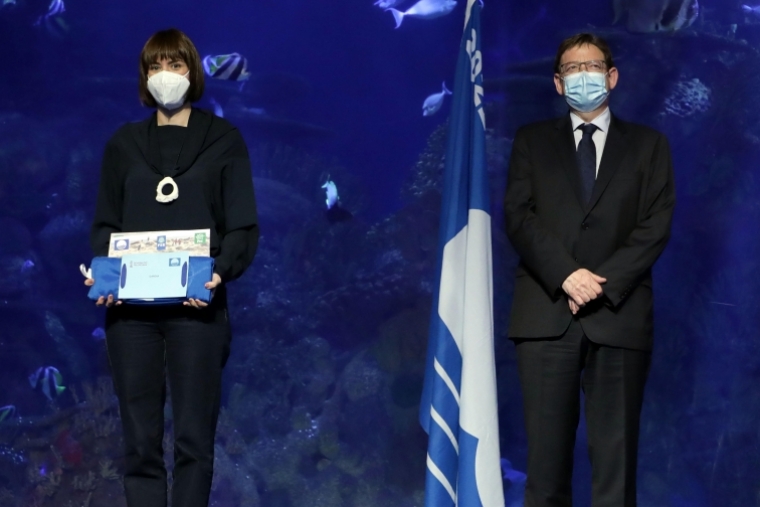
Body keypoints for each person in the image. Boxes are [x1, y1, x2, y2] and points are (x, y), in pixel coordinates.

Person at [85, 28, 258, 507]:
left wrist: (220, 271)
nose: (166, 76)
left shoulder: (224, 140)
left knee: (193, 443)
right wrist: (103, 272)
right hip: (130, 316)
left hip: (197, 309)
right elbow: (105, 223)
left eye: (176, 65)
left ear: (193, 72)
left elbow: (243, 226)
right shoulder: (123, 145)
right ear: (144, 76)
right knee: (139, 443)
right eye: (155, 66)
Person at [504, 33, 675, 507]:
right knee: (544, 472)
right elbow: (519, 216)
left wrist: (603, 283)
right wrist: (567, 275)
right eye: (573, 70)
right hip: (546, 316)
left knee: (615, 476)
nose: (585, 77)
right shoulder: (531, 142)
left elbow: (655, 225)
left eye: (593, 67)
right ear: (558, 84)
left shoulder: (649, 146)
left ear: (612, 76)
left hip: (620, 319)